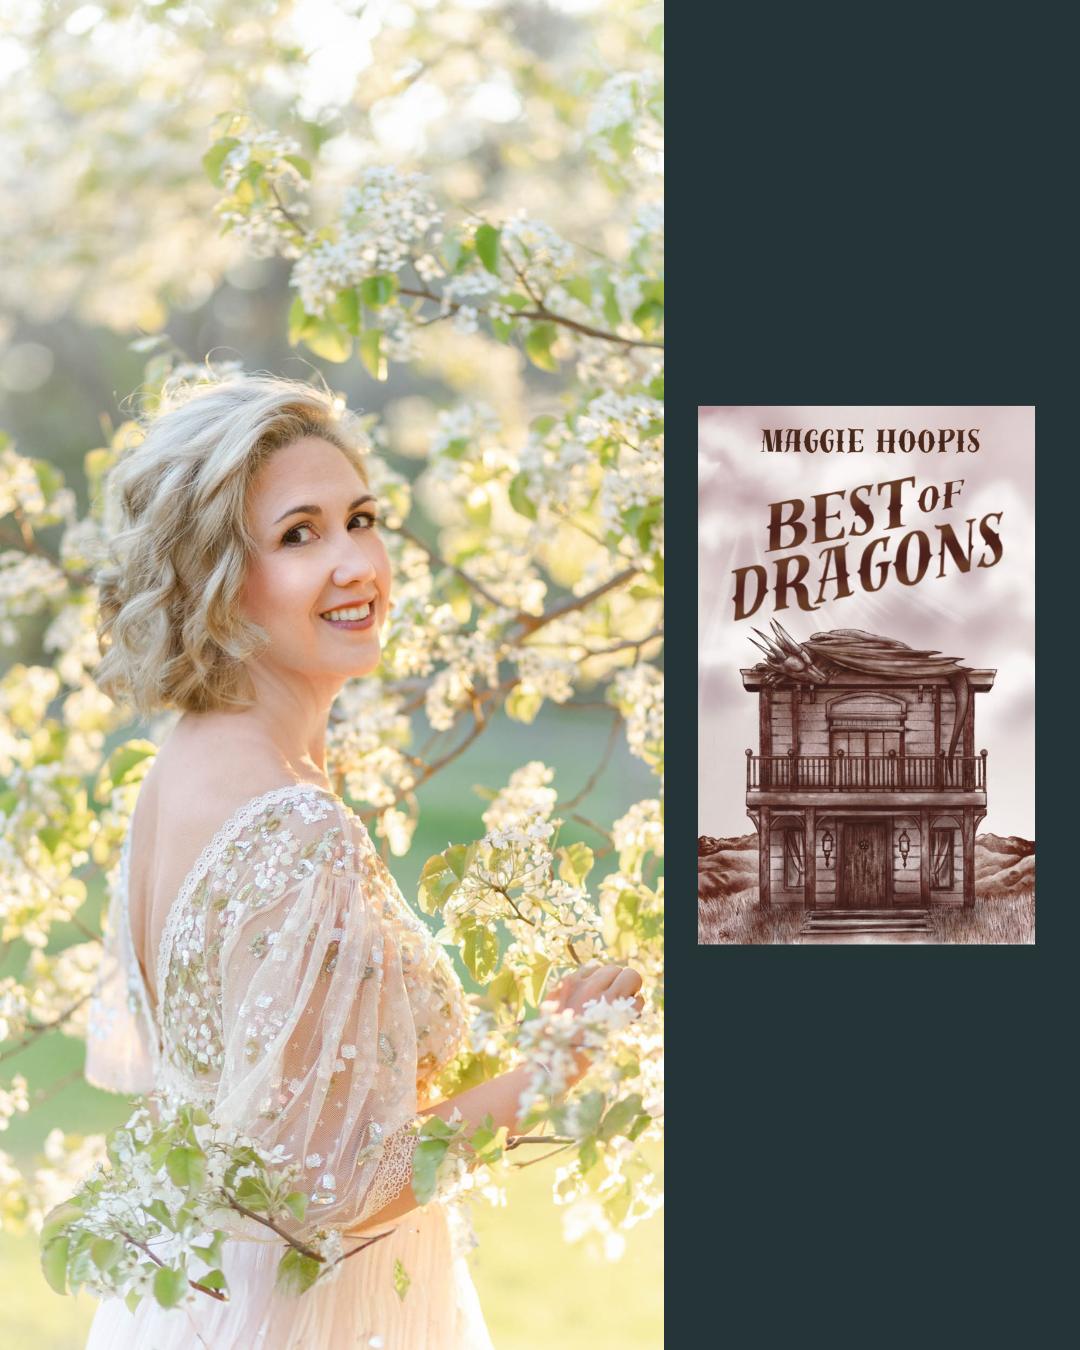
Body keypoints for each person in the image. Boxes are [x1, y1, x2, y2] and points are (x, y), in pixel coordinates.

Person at [82, 375, 643, 1350]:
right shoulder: (293, 824)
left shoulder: (182, 767)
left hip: (198, 1300)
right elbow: (331, 1189)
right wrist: (554, 1061)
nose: (356, 562)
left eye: (362, 518)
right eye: (299, 534)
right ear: (214, 575)